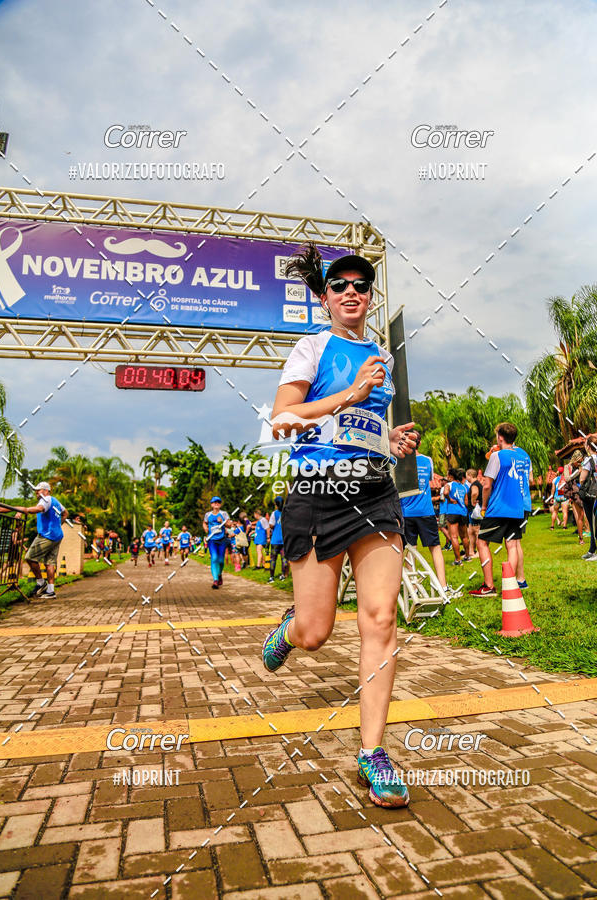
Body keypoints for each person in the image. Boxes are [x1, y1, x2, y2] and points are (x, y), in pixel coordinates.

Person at [261, 243, 417, 809]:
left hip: (374, 492)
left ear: (370, 297)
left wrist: (390, 440)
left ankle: (373, 752)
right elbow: (281, 419)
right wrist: (350, 393)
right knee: (316, 632)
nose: (352, 291)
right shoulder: (312, 347)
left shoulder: (382, 356)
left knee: (380, 618)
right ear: (325, 297)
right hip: (318, 491)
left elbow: (360, 425)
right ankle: (291, 630)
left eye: (361, 285)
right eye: (340, 285)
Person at [469, 422, 525, 597]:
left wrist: (484, 506)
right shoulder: (522, 457)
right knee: (512, 545)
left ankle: (488, 586)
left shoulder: (497, 456)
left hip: (498, 508)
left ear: (500, 437)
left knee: (481, 542)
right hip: (517, 508)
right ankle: (510, 586)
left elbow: (487, 485)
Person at [400, 432, 449, 591]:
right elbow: (428, 479)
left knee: (410, 549)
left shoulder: (399, 461)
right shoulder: (428, 461)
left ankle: (413, 587)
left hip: (406, 512)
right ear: (419, 444)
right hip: (426, 511)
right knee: (435, 547)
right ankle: (443, 585)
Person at [8, 482, 67, 600]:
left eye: (39, 490)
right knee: (50, 563)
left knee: (29, 557)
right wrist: (58, 525)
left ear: (46, 490)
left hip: (47, 536)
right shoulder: (55, 501)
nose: (36, 492)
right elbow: (65, 513)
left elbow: (39, 509)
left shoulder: (46, 499)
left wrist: (25, 510)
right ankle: (50, 591)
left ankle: (41, 582)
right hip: (57, 535)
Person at [512, 441, 533, 590]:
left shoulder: (506, 454)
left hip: (512, 503)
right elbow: (530, 480)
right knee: (516, 541)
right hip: (525, 501)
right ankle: (519, 578)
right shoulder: (525, 455)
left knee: (513, 542)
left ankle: (518, 579)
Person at [444, 468, 470, 565]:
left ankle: (458, 560)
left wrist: (449, 499)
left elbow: (445, 493)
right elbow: (466, 502)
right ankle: (467, 556)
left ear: (451, 476)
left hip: (452, 512)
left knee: (454, 537)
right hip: (463, 513)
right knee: (464, 537)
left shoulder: (449, 485)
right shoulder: (463, 487)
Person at [203, 496, 230, 588]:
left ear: (220, 504)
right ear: (211, 504)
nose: (216, 504)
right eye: (214, 502)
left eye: (218, 502)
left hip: (222, 539)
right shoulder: (208, 515)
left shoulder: (224, 514)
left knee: (221, 560)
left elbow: (229, 525)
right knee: (214, 558)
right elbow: (204, 522)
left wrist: (222, 521)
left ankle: (219, 574)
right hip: (212, 540)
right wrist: (205, 528)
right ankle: (215, 580)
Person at [579, 436, 597, 561]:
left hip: (591, 495)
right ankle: (592, 549)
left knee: (593, 523)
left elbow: (582, 478)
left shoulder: (589, 460)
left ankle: (593, 551)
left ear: (589, 446)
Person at [267, 496, 288, 583]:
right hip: (284, 539)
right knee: (284, 559)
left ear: (276, 504)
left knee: (273, 559)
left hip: (275, 540)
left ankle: (271, 577)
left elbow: (271, 525)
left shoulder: (274, 513)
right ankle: (283, 576)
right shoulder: (287, 513)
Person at [466, 468, 483, 558]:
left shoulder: (475, 484)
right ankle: (471, 551)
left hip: (475, 511)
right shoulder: (477, 484)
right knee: (471, 531)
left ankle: (479, 552)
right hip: (473, 511)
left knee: (476, 531)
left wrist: (472, 502)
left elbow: (475, 493)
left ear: (470, 475)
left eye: (466, 475)